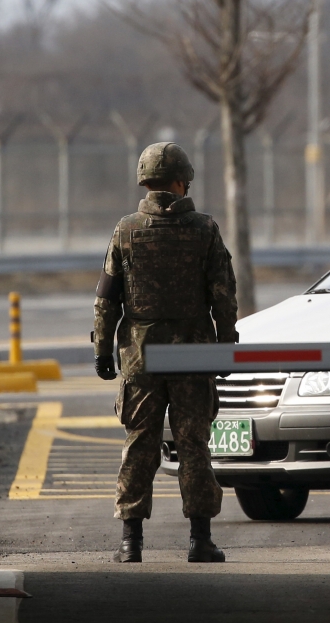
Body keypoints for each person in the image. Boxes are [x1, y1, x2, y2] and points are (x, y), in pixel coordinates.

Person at [93, 142, 238, 564]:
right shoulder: (204, 230)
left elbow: (106, 300)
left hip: (141, 358)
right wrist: (225, 348)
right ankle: (200, 541)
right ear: (181, 180)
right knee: (194, 445)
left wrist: (103, 350)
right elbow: (223, 297)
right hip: (194, 357)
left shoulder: (125, 230)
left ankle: (130, 543)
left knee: (140, 444)